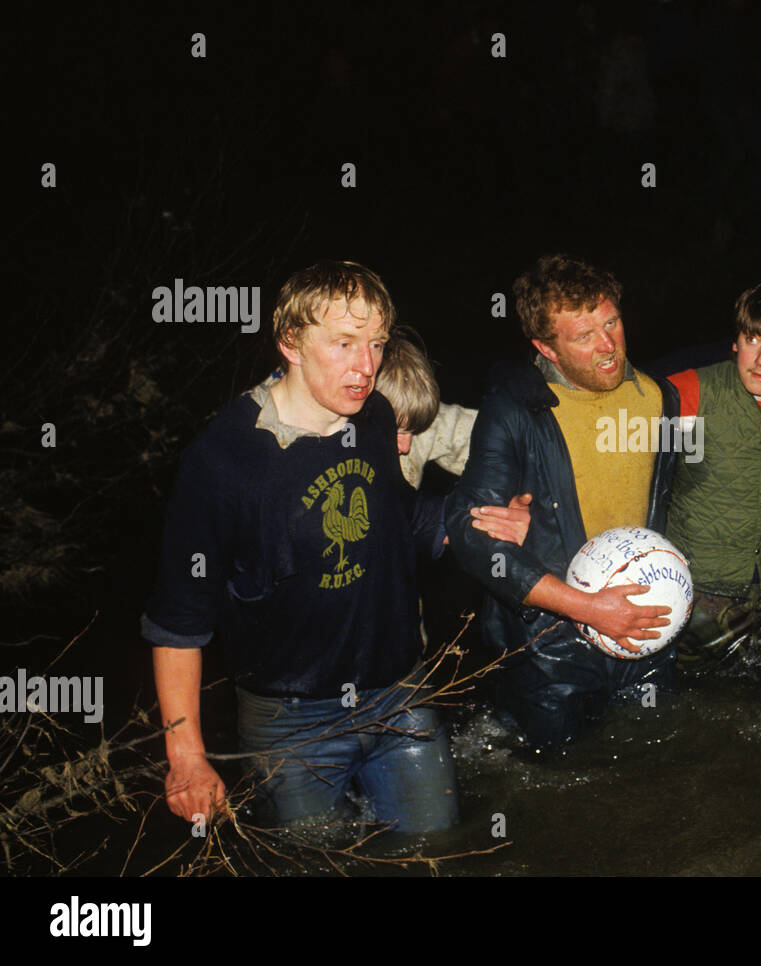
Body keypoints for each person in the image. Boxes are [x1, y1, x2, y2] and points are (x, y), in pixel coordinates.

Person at [142, 261, 531, 834]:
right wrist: (186, 758)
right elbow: (178, 623)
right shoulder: (222, 461)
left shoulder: (372, 416)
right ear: (290, 342)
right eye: (344, 343)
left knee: (437, 855)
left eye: (375, 343)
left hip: (399, 695)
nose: (367, 366)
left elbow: (402, 521)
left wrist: (488, 522)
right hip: (290, 723)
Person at [445, 254, 680, 749]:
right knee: (559, 782)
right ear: (544, 348)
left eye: (611, 322)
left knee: (658, 765)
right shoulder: (512, 410)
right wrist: (587, 606)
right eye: (582, 336)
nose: (607, 346)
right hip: (549, 646)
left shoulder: (660, 398)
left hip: (647, 623)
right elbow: (472, 541)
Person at [665, 279, 761, 670]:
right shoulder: (689, 393)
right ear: (736, 341)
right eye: (753, 340)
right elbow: (609, 445)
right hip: (694, 595)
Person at [374, 325, 480, 486]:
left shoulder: (415, 420)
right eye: (397, 431)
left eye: (411, 432)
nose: (406, 447)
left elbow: (491, 433)